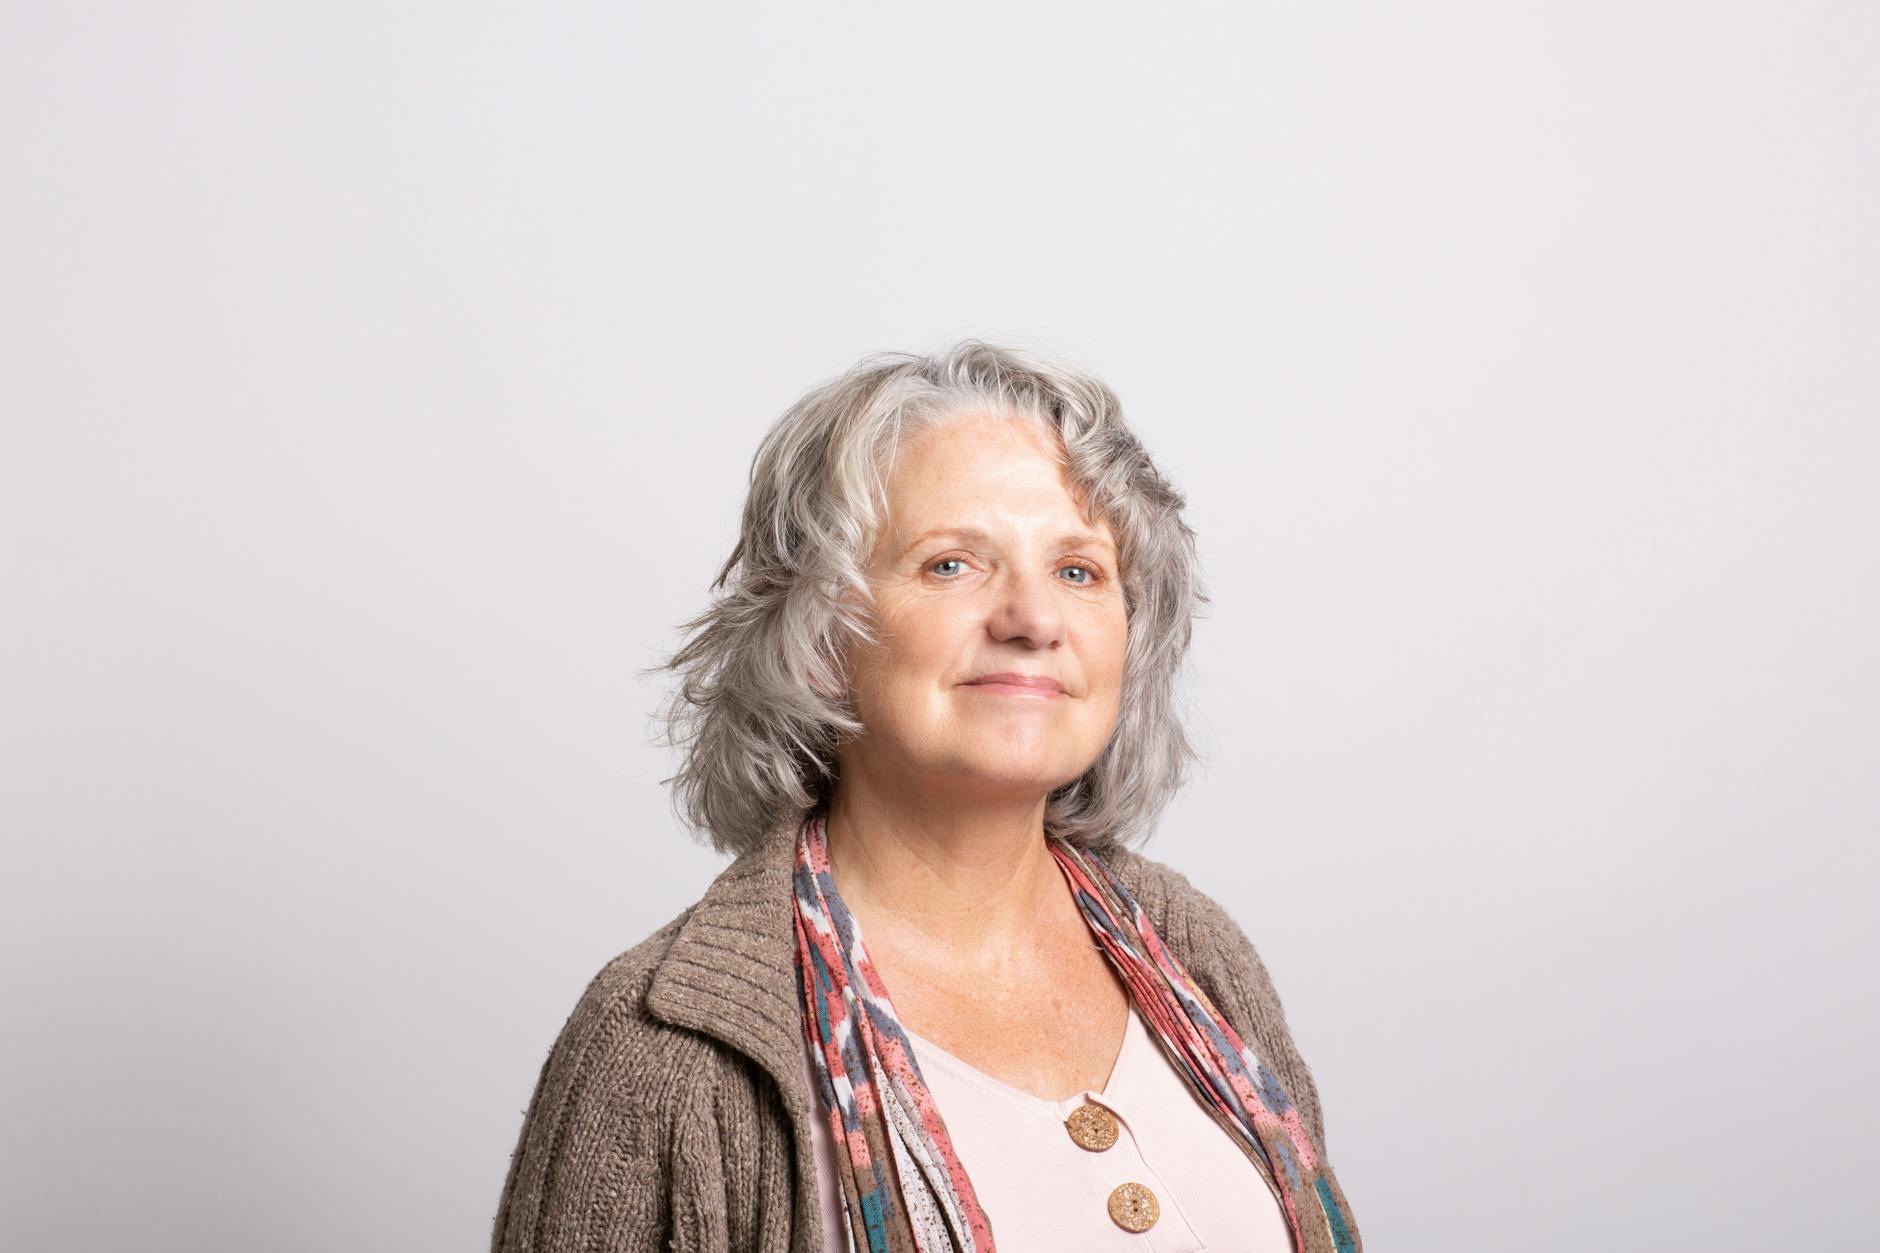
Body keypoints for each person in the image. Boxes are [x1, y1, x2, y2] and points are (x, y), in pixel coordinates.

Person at [491, 341, 1362, 1253]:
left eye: (1079, 570)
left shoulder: (1196, 952)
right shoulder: (665, 1044)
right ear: (822, 632)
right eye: (952, 564)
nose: (1033, 618)